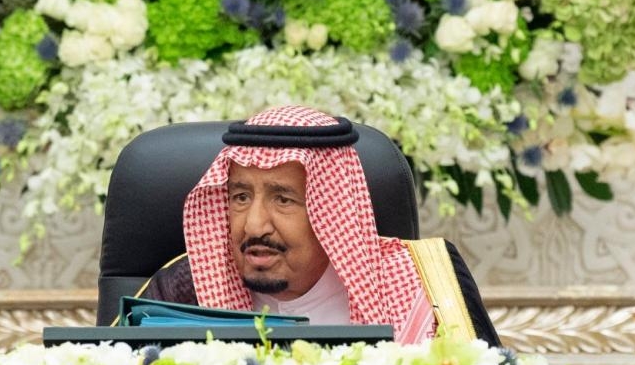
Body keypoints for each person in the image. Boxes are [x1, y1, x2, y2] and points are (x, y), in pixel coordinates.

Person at [135, 105, 500, 345]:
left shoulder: (426, 281)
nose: (254, 226)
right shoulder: (182, 289)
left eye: (283, 199)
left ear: (333, 209)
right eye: (240, 197)